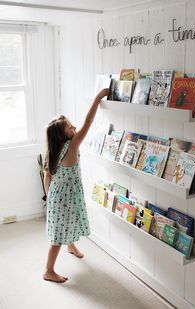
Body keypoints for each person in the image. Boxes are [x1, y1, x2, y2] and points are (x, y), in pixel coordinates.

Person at [43, 88, 110, 283]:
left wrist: (49, 198)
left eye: (74, 126)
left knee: (68, 221)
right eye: (71, 127)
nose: (75, 128)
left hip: (58, 196)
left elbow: (47, 176)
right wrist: (97, 98)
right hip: (65, 198)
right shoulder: (71, 146)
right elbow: (88, 122)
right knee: (57, 236)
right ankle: (48, 270)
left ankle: (70, 245)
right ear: (62, 136)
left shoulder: (53, 150)